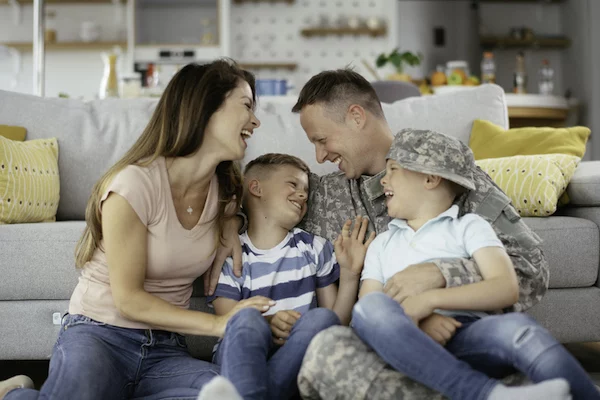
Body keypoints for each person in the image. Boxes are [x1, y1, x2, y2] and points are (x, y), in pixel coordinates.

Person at [238, 68, 550, 399]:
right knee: (323, 353)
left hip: (458, 336)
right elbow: (257, 199)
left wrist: (440, 274)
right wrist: (231, 222)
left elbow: (531, 270)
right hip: (379, 350)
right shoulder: (319, 194)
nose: (319, 156)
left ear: (356, 117)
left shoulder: (439, 169)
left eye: (321, 140)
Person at [0, 60, 273, 400]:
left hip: (165, 349)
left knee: (225, 394)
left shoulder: (226, 190)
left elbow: (262, 207)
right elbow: (128, 300)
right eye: (246, 105)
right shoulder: (133, 185)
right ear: (204, 107)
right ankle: (14, 393)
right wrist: (219, 325)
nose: (255, 120)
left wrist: (235, 223)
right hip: (99, 336)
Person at [352, 129, 599, 400]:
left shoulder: (469, 226)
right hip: (406, 339)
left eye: (393, 169)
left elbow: (506, 288)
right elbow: (368, 310)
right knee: (369, 308)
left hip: (469, 334)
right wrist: (420, 323)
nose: (383, 180)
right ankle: (489, 394)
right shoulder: (382, 243)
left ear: (430, 178)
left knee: (519, 329)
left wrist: (429, 301)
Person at [208, 153, 375, 400]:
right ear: (256, 188)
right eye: (293, 184)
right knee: (247, 321)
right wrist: (269, 322)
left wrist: (350, 275)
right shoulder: (232, 253)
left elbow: (334, 322)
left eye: (306, 190)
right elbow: (226, 320)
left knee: (321, 318)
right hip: (243, 353)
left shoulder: (314, 248)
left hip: (297, 352)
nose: (303, 195)